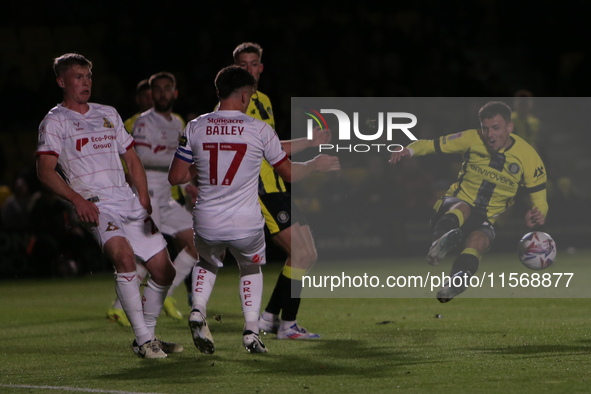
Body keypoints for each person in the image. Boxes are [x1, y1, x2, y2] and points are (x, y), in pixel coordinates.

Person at [169, 66, 339, 354]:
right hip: (245, 221)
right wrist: (314, 165)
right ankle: (251, 330)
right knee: (250, 268)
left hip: (207, 219)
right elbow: (289, 175)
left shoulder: (195, 126)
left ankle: (198, 309)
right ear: (246, 95)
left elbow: (175, 177)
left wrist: (200, 172)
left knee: (207, 262)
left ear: (218, 91)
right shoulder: (259, 129)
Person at [36, 53, 181, 358]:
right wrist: (77, 200)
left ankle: (148, 335)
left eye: (88, 76)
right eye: (78, 77)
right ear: (61, 81)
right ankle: (143, 340)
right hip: (97, 206)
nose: (86, 82)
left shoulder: (108, 113)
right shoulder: (55, 120)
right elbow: (45, 171)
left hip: (127, 202)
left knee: (164, 272)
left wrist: (143, 199)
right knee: (125, 259)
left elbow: (131, 158)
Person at [390, 101, 548, 302]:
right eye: (485, 128)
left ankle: (455, 282)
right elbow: (430, 144)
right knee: (464, 207)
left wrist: (538, 212)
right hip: (452, 207)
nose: (489, 134)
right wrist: (409, 150)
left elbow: (541, 200)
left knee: (479, 242)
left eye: (496, 128)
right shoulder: (472, 138)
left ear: (510, 127)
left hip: (486, 219)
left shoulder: (529, 157)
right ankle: (440, 242)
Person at [231, 42, 327, 339]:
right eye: (243, 64)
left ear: (261, 67)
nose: (249, 69)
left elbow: (272, 146)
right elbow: (264, 149)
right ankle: (287, 325)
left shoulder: (264, 101)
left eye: (254, 63)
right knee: (300, 253)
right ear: (235, 69)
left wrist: (307, 142)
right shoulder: (235, 107)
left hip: (277, 187)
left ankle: (270, 317)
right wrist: (309, 145)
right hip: (259, 191)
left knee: (307, 254)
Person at [107, 77, 194, 326]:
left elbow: (179, 164)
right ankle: (117, 308)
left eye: (167, 89)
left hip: (166, 198)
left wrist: (189, 186)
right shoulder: (144, 121)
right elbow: (142, 157)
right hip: (147, 195)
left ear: (175, 93)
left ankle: (163, 292)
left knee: (197, 242)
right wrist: (176, 160)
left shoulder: (178, 122)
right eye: (158, 90)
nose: (163, 94)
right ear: (152, 94)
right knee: (147, 257)